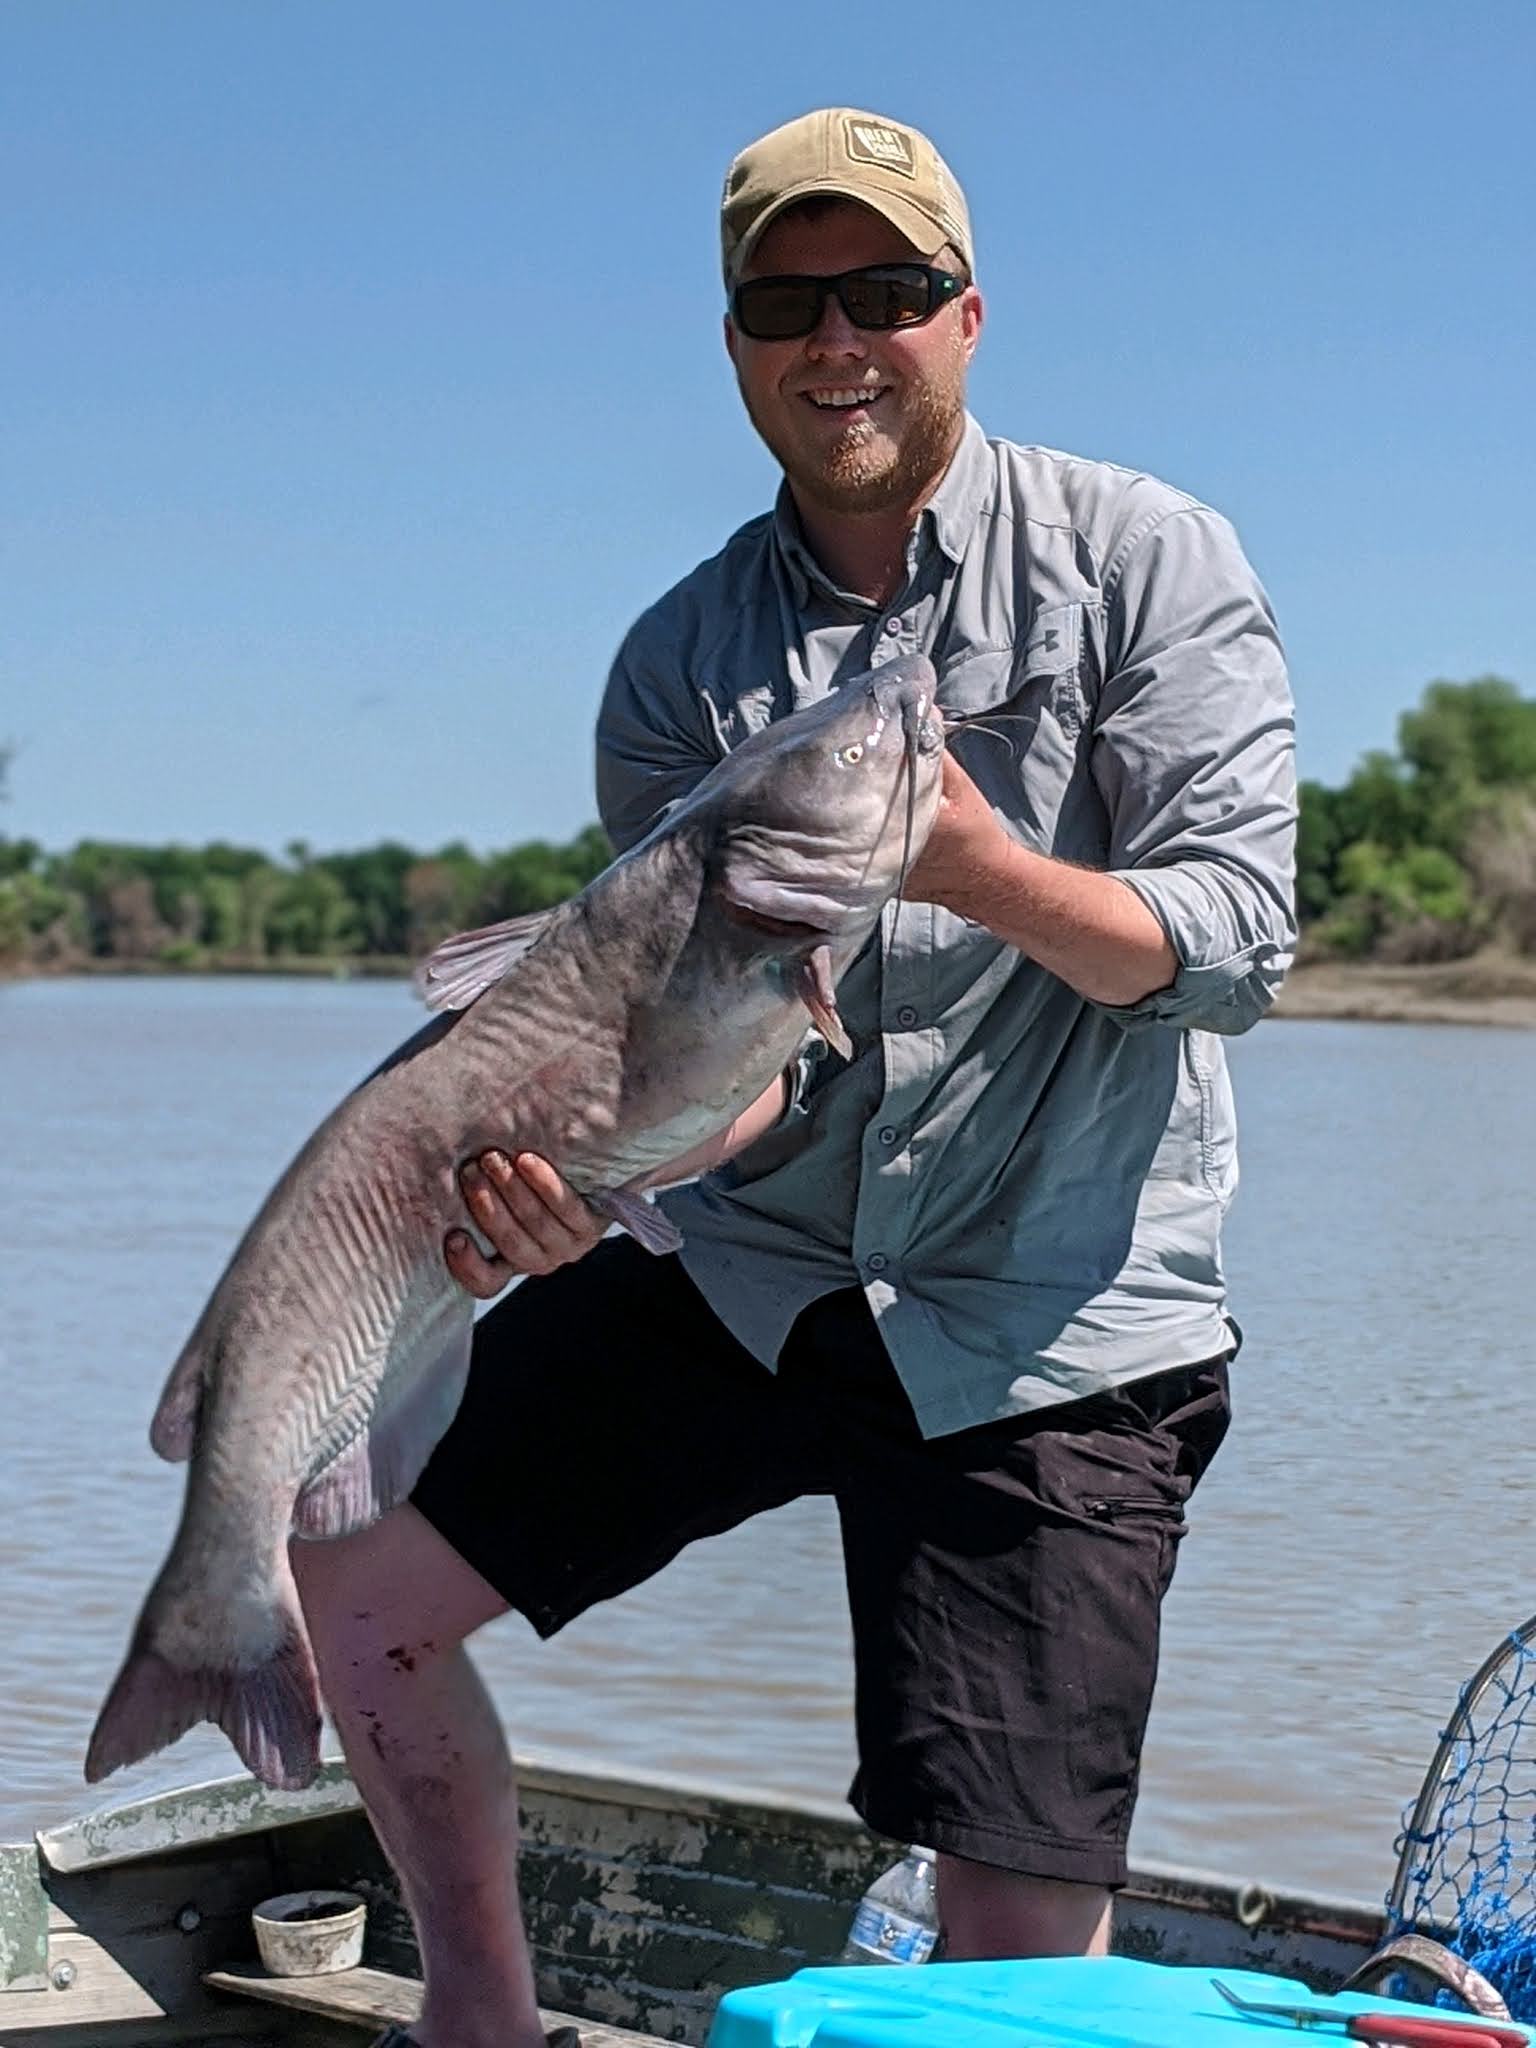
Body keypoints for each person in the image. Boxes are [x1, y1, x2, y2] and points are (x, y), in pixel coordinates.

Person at [294, 106, 1297, 2048]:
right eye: (785, 302)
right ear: (738, 342)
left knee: (1011, 1950)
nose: (839, 339)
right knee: (354, 1586)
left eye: (887, 291)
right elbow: (725, 1073)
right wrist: (572, 1182)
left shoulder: (1146, 560)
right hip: (756, 1266)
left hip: (1051, 1312)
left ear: (967, 316)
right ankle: (479, 2020)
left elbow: (1238, 947)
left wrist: (977, 867)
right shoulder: (680, 662)